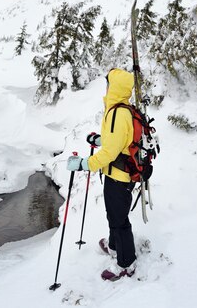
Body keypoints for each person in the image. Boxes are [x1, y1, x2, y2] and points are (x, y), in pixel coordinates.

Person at [66, 68, 137, 281]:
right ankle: (114, 246)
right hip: (117, 174)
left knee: (120, 220)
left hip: (119, 176)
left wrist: (84, 164)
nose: (105, 87)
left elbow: (110, 153)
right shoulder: (121, 109)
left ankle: (126, 264)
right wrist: (99, 140)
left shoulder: (117, 112)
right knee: (114, 214)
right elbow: (118, 140)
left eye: (108, 83)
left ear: (114, 87)